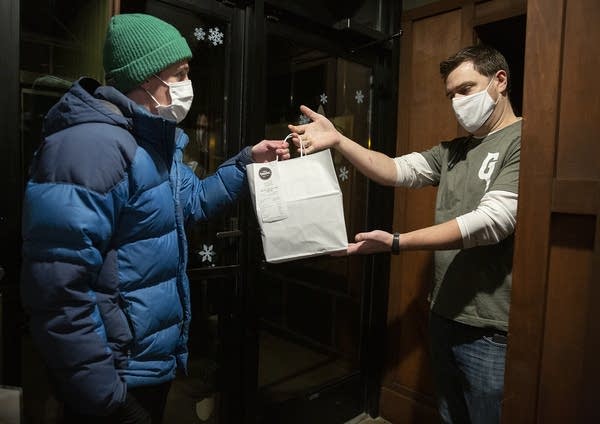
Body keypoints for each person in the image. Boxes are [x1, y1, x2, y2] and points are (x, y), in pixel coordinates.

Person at [20, 13, 289, 424]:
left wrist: (245, 163)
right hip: (115, 374)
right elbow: (58, 289)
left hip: (146, 364)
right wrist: (104, 396)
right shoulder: (90, 147)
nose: (187, 85)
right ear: (146, 79)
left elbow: (193, 200)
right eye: (179, 74)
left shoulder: (150, 143)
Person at [288, 44, 521, 424]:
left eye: (466, 90)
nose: (458, 102)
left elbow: (491, 222)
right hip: (444, 312)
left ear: (500, 81)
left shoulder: (524, 140)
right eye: (451, 95)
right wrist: (339, 140)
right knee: (450, 415)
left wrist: (397, 242)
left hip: (489, 327)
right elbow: (394, 170)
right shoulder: (453, 150)